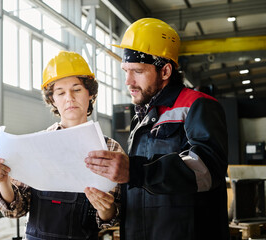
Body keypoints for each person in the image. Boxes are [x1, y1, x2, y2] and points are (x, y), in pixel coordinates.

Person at [84, 18, 229, 240]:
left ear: (165, 71)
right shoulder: (140, 118)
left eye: (138, 71)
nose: (128, 81)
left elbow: (207, 170)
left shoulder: (198, 105)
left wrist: (136, 170)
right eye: (126, 71)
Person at [0, 51, 124, 240]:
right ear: (52, 99)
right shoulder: (36, 145)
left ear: (90, 93)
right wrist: (3, 180)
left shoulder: (109, 149)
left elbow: (113, 220)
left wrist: (106, 209)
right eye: (60, 92)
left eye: (76, 89)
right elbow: (15, 211)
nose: (69, 98)